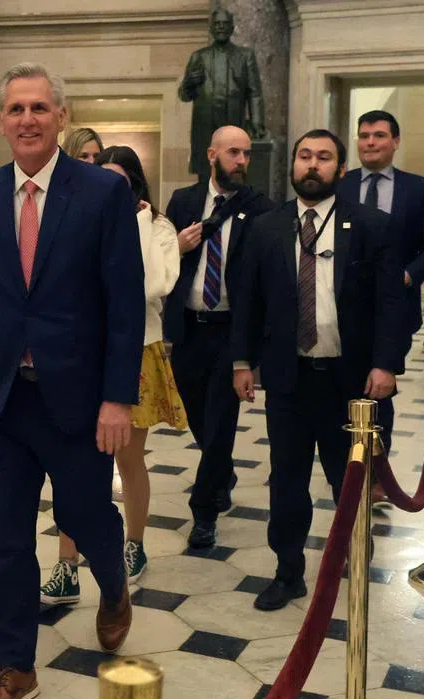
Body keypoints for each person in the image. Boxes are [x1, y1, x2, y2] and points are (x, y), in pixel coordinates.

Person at [0, 63, 145, 699]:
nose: (26, 119)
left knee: (87, 518)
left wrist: (119, 400)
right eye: (15, 109)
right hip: (4, 399)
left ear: (60, 116)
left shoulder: (100, 194)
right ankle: (16, 668)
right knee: (8, 538)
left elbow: (124, 305)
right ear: (1, 121)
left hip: (81, 398)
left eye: (38, 107)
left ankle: (114, 589)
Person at [230, 129, 403, 611]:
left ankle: (352, 556)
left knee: (345, 477)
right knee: (286, 479)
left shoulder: (371, 226)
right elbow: (248, 301)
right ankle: (288, 572)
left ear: (340, 170)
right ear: (292, 166)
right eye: (304, 156)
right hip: (288, 378)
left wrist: (386, 364)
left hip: (349, 379)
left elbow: (393, 304)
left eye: (324, 158)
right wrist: (243, 362)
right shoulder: (267, 227)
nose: (312, 165)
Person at [41, 145, 187, 606]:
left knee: (127, 460)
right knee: (70, 463)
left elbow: (153, 285)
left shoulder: (157, 226)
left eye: (117, 181)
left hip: (137, 351)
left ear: (134, 185)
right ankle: (67, 564)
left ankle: (135, 542)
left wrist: (136, 224)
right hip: (82, 352)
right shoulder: (80, 220)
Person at [164, 125, 275, 549]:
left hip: (232, 331)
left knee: (221, 421)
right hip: (189, 329)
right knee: (196, 415)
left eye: (246, 154)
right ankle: (221, 470)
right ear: (212, 155)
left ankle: (204, 511)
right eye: (233, 153)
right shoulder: (184, 201)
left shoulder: (260, 208)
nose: (242, 161)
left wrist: (253, 350)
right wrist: (177, 244)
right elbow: (160, 259)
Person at [337, 110, 424, 493]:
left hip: (394, 310)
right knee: (342, 387)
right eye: (363, 135)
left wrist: (407, 275)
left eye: (379, 135)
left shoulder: (418, 189)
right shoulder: (340, 184)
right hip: (343, 310)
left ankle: (378, 475)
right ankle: (345, 468)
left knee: (381, 387)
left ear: (395, 141)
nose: (370, 142)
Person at [178, 9, 265, 178]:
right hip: (205, 126)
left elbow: (254, 92)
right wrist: (189, 83)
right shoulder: (199, 57)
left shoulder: (245, 56)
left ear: (232, 28)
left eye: (225, 24)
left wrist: (257, 122)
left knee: (235, 170)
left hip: (233, 120)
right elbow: (184, 95)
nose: (221, 28)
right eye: (217, 24)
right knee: (205, 173)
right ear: (211, 28)